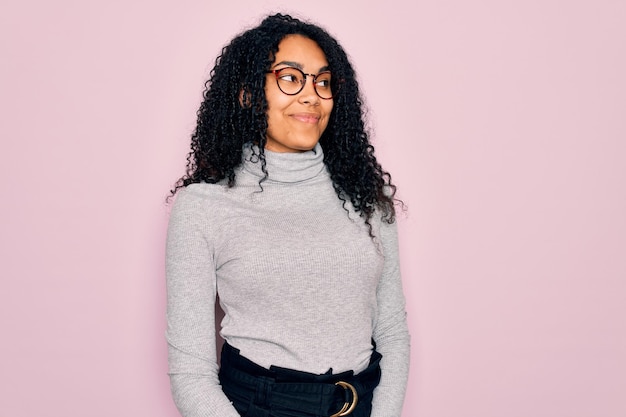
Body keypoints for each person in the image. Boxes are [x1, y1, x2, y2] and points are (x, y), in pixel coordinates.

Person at [166, 13, 410, 417]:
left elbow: (392, 332)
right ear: (247, 93)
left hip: (361, 403)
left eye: (323, 81)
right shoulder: (203, 206)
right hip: (256, 406)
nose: (312, 95)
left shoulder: (368, 195)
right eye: (291, 78)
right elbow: (190, 369)